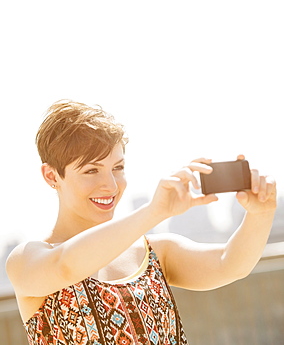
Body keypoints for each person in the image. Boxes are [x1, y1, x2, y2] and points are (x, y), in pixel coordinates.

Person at [6, 100, 276, 345]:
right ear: (51, 176)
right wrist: (154, 212)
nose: (110, 185)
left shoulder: (155, 252)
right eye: (91, 170)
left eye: (118, 168)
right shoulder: (27, 259)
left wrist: (261, 214)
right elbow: (66, 267)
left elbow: (230, 263)